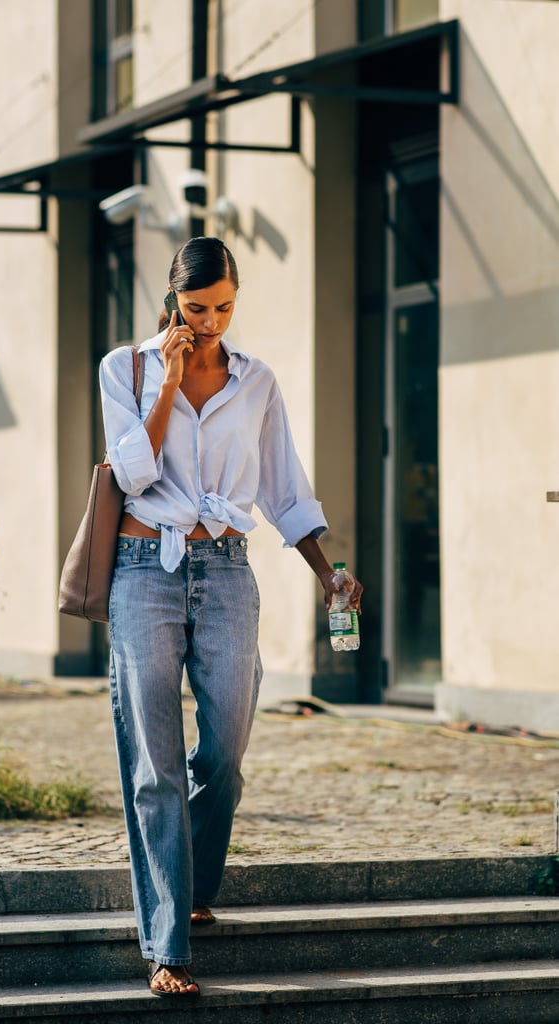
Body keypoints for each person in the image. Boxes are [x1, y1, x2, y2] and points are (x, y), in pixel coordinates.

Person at [99, 236, 362, 998]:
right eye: (195, 308)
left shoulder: (258, 381)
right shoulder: (129, 367)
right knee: (153, 764)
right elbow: (133, 473)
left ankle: (194, 881)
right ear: (173, 300)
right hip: (144, 571)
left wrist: (327, 574)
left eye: (222, 308)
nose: (209, 322)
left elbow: (283, 486)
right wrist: (169, 382)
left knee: (221, 757)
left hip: (225, 572)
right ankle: (167, 944)